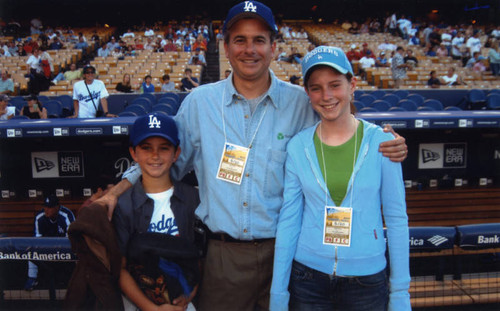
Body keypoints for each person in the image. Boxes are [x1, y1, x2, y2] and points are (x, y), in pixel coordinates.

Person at [99, 2, 407, 310]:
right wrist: (118, 190)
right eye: (240, 40)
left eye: (259, 40)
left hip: (287, 255)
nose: (250, 49)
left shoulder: (300, 103)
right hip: (223, 257)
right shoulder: (199, 103)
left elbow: (342, 125)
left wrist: (384, 141)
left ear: (273, 47)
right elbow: (163, 162)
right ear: (227, 47)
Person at [270, 46, 410, 311]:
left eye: (335, 85)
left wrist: (401, 294)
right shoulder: (298, 146)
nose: (327, 96)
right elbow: (289, 222)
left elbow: (396, 219)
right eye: (316, 88)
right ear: (308, 93)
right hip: (307, 278)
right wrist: (278, 294)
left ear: (352, 85)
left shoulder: (383, 142)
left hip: (367, 282)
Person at [113, 113, 200, 311]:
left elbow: (199, 258)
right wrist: (153, 309)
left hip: (180, 299)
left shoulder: (191, 199)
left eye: (164, 148)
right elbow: (120, 269)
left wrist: (189, 294)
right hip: (137, 301)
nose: (155, 156)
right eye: (146, 148)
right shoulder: (123, 205)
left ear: (176, 153)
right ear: (133, 153)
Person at [24, 194, 75, 290]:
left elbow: (71, 237)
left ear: (57, 207)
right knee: (30, 249)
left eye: (50, 207)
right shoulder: (40, 217)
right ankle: (32, 278)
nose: (46, 210)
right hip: (47, 248)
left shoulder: (66, 215)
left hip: (65, 248)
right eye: (45, 207)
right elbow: (37, 239)